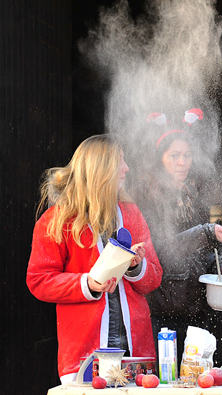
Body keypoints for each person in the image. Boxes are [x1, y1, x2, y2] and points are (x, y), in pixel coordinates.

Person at [26, 134, 162, 383]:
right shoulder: (57, 221)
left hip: (136, 353)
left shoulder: (132, 213)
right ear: (101, 168)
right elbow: (39, 280)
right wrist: (87, 284)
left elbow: (153, 279)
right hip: (84, 353)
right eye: (120, 161)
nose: (126, 168)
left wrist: (137, 266)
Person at [131, 109, 222, 365]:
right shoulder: (146, 198)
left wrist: (221, 263)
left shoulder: (199, 193)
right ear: (160, 159)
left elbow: (215, 237)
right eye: (174, 156)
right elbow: (159, 249)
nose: (182, 162)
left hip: (200, 308)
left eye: (187, 155)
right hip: (164, 308)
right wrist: (205, 233)